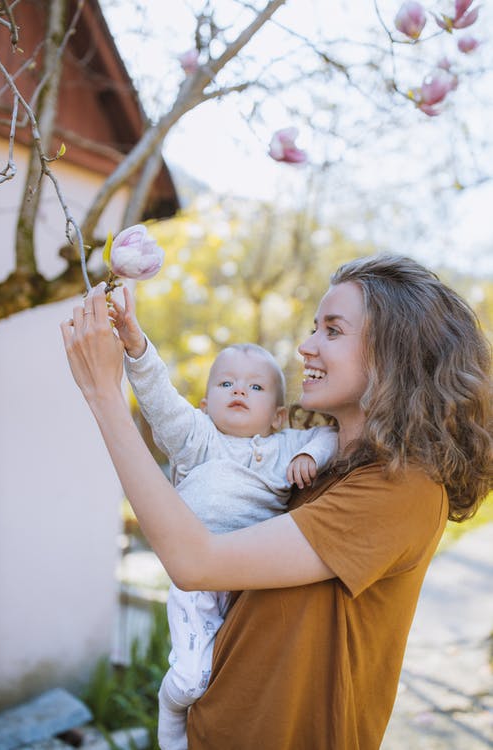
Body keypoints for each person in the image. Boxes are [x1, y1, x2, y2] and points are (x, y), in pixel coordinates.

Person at [61, 255, 492, 750]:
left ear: (397, 354)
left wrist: (104, 395)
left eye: (332, 331)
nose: (306, 347)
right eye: (314, 328)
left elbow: (195, 562)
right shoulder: (307, 469)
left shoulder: (404, 488)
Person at [109, 289, 338, 750]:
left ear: (276, 416)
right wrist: (136, 346)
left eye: (255, 387)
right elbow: (158, 396)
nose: (239, 390)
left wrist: (310, 453)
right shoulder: (196, 440)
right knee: (192, 680)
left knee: (233, 676)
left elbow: (332, 436)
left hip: (251, 585)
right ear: (204, 404)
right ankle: (173, 715)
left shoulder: (283, 447)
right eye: (226, 384)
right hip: (196, 582)